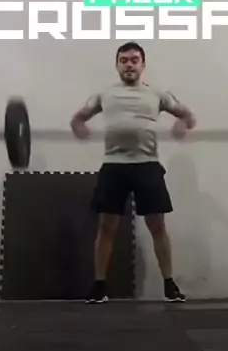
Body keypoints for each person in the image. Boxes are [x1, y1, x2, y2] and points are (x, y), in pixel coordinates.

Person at [70, 41, 196, 303]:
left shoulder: (158, 94)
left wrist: (182, 124)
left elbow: (187, 116)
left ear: (142, 65)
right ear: (117, 65)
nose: (129, 65)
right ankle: (99, 285)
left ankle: (169, 284)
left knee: (157, 226)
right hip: (114, 165)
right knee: (107, 227)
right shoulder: (103, 94)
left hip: (147, 164)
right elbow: (78, 118)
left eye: (134, 60)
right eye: (124, 60)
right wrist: (79, 126)